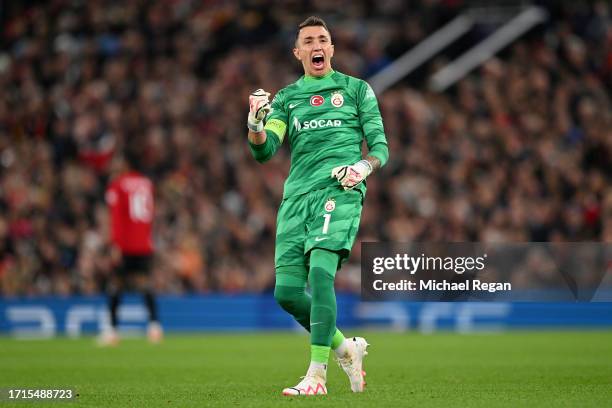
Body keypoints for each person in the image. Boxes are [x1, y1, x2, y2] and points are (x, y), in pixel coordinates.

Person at [247, 16, 388, 396]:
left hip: (339, 189)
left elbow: (380, 148)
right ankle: (346, 348)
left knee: (321, 275)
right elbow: (265, 150)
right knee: (287, 293)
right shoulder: (286, 99)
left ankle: (317, 376)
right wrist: (256, 126)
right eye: (307, 41)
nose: (316, 46)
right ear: (298, 52)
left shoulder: (357, 90)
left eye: (322, 39)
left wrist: (362, 167)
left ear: (332, 49)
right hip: (296, 199)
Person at [100, 148, 163, 345]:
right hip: (144, 243)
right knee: (145, 284)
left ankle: (111, 331)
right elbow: (150, 214)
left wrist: (115, 244)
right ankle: (154, 327)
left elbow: (116, 217)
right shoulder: (147, 183)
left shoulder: (117, 185)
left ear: (125, 164)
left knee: (115, 285)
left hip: (126, 244)